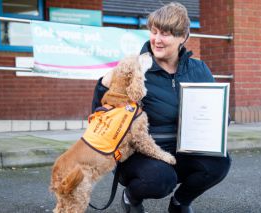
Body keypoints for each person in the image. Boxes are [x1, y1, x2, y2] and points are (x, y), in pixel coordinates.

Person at [91, 2, 231, 213]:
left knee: (220, 163)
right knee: (161, 180)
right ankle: (131, 197)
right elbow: (101, 114)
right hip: (140, 154)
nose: (156, 39)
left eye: (165, 34)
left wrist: (220, 119)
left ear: (183, 37)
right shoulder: (134, 69)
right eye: (154, 32)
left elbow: (214, 110)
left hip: (185, 148)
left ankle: (180, 202)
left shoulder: (199, 69)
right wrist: (103, 85)